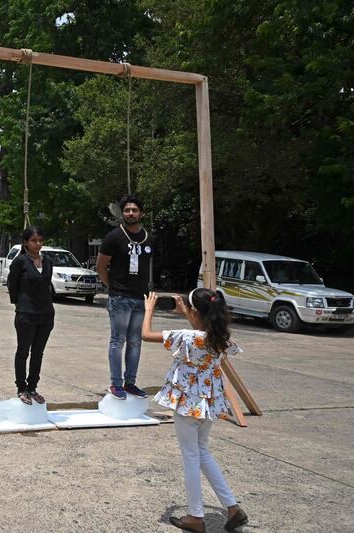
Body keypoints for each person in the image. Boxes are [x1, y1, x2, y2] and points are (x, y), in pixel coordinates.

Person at [142, 289, 249, 533]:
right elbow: (200, 329)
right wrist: (187, 313)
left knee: (191, 456)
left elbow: (146, 335)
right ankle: (232, 508)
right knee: (202, 452)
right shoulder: (219, 337)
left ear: (195, 312)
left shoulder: (187, 337)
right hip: (208, 404)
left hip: (186, 403)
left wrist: (149, 310)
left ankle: (195, 516)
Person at [96, 193, 155, 400]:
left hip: (140, 297)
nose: (131, 213)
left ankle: (131, 382)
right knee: (117, 340)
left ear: (141, 213)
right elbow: (101, 266)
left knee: (136, 341)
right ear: (123, 213)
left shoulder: (149, 237)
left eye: (134, 210)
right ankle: (116, 384)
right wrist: (111, 287)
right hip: (120, 297)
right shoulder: (114, 236)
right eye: (127, 210)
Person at [7, 226, 54, 405]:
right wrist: (18, 304)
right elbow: (13, 285)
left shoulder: (48, 261)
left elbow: (47, 285)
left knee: (38, 353)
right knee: (23, 352)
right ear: (26, 242)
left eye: (40, 240)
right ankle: (21, 388)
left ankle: (33, 387)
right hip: (26, 314)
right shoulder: (20, 261)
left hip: (46, 315)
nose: (38, 244)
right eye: (34, 240)